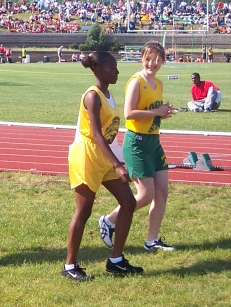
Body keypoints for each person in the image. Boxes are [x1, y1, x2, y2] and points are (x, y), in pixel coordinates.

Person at [63, 51, 141, 281]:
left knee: (129, 202)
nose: (117, 71)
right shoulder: (92, 95)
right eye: (112, 68)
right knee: (84, 211)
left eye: (116, 68)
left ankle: (115, 260)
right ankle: (69, 266)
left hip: (105, 157)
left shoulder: (108, 94)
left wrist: (118, 160)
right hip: (87, 156)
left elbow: (109, 135)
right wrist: (117, 164)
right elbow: (97, 135)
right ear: (97, 70)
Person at [100, 42, 176, 253]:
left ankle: (152, 240)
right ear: (142, 58)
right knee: (145, 195)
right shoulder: (136, 81)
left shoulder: (158, 83)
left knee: (162, 192)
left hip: (154, 142)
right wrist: (156, 112)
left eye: (158, 59)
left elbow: (153, 111)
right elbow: (129, 113)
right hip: (137, 143)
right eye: (149, 58)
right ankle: (109, 220)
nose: (153, 63)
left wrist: (164, 112)